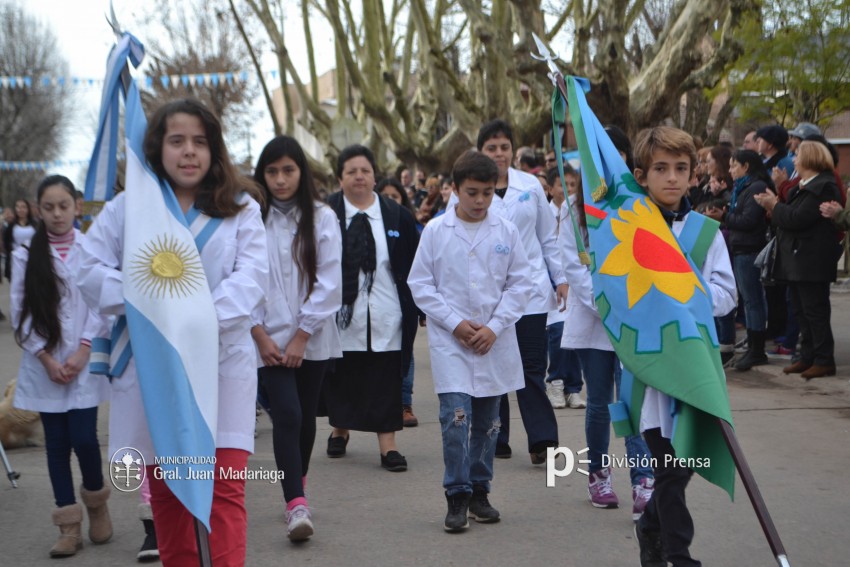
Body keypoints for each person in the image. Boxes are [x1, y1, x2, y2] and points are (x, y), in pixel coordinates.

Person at [77, 98, 269, 566]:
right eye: (177, 141)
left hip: (222, 368)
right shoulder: (131, 208)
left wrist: (189, 317)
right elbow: (87, 267)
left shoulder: (241, 209)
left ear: (215, 149)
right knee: (169, 494)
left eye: (200, 142)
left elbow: (252, 280)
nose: (189, 152)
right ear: (157, 148)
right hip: (153, 371)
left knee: (223, 491)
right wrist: (148, 304)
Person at [407, 150, 531, 532]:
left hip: (493, 340)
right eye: (472, 192)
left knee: (489, 423)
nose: (480, 201)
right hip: (452, 343)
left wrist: (494, 326)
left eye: (488, 193)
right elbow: (421, 285)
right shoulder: (435, 232)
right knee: (455, 419)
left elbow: (522, 282)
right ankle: (457, 494)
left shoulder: (505, 231)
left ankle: (480, 488)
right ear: (455, 189)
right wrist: (455, 323)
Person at [631, 127, 737, 567]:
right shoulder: (627, 230)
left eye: (681, 169)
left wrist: (687, 295)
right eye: (661, 169)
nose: (671, 178)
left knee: (685, 464)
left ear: (694, 175)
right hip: (652, 370)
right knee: (669, 470)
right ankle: (680, 556)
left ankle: (650, 524)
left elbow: (726, 294)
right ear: (642, 176)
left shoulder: (705, 233)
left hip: (697, 368)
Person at [452, 119, 567, 464]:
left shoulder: (530, 186)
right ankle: (497, 436)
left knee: (532, 366)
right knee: (495, 366)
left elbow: (548, 236)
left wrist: (559, 278)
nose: (499, 154)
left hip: (529, 293)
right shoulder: (468, 189)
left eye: (504, 147)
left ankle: (542, 439)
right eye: (491, 148)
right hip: (486, 296)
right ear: (480, 151)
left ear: (512, 151)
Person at [11, 175, 112, 557]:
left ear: (77, 208)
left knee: (85, 438)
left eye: (63, 206)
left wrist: (84, 350)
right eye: (48, 207)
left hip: (83, 361)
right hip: (46, 365)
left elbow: (101, 304)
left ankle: (97, 502)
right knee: (56, 444)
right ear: (38, 210)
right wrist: (47, 358)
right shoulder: (25, 256)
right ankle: (69, 526)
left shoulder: (91, 251)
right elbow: (20, 313)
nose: (56, 214)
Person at [250, 135, 343, 541]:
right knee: (286, 414)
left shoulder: (322, 217)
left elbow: (330, 281)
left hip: (313, 337)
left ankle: (296, 482)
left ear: (302, 172)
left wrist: (302, 335)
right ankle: (296, 505)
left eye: (288, 170)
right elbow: (243, 279)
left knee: (305, 418)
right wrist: (259, 334)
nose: (280, 179)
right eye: (272, 171)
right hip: (266, 339)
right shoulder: (250, 217)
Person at [557, 164, 655, 519]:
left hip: (633, 321)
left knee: (634, 404)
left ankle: (643, 479)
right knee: (599, 404)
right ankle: (599, 475)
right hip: (594, 322)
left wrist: (627, 305)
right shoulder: (574, 210)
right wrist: (606, 305)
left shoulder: (639, 206)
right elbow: (573, 265)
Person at [323, 145, 420, 472]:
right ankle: (340, 429)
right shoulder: (326, 214)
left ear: (374, 176)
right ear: (340, 178)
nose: (359, 176)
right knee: (343, 376)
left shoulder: (396, 216)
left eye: (365, 170)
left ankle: (388, 446)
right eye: (351, 171)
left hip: (386, 311)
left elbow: (413, 265)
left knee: (384, 378)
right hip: (340, 314)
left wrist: (417, 308)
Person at [754, 141, 841, 380]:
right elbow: (786, 217)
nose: (793, 160)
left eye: (798, 156)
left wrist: (774, 206)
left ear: (810, 159)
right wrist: (774, 207)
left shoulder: (824, 187)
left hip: (812, 261)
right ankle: (807, 356)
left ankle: (824, 360)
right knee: (801, 311)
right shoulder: (802, 187)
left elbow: (798, 218)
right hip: (796, 260)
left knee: (815, 311)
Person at [543, 165, 586, 410]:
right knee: (559, 333)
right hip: (554, 285)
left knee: (575, 336)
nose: (568, 189)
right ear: (550, 189)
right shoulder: (546, 214)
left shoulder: (579, 213)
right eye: (562, 185)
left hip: (576, 282)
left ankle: (573, 388)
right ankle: (555, 382)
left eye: (572, 184)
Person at [725, 150, 772, 371]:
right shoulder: (743, 187)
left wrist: (724, 216)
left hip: (750, 249)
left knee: (753, 300)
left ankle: (757, 349)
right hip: (741, 248)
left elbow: (748, 220)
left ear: (746, 166)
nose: (730, 171)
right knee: (750, 299)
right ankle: (754, 345)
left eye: (734, 166)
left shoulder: (755, 187)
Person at [3, 198, 37, 281]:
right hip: (16, 261)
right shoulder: (11, 226)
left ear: (28, 209)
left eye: (23, 207)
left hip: (32, 260)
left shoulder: (35, 225)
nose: (20, 209)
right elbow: (6, 243)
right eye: (18, 207)